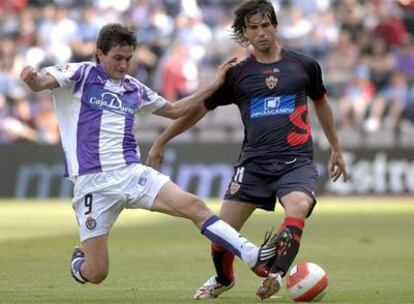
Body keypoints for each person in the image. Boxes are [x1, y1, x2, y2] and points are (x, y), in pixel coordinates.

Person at [19, 23, 286, 288]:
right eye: (117, 58)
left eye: (128, 59)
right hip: (92, 183)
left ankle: (251, 254)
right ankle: (79, 263)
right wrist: (33, 79)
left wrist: (215, 84)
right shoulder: (81, 74)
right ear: (99, 53)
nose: (124, 65)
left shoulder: (134, 88)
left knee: (194, 206)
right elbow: (41, 82)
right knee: (97, 273)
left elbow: (174, 109)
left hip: (131, 172)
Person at [147, 0, 348, 300]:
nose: (262, 33)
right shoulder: (237, 74)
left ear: (275, 26)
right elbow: (198, 110)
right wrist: (162, 140)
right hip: (253, 165)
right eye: (253, 28)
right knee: (221, 233)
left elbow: (321, 103)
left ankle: (276, 275)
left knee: (297, 209)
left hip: (296, 162)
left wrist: (335, 148)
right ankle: (223, 278)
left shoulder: (304, 65)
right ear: (244, 33)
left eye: (266, 25)